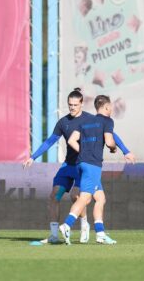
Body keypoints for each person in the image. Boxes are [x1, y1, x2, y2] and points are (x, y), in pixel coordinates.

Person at [23, 88, 135, 244]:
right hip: (69, 165)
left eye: (75, 104)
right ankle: (54, 235)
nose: (72, 108)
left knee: (78, 196)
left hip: (82, 166)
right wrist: (33, 157)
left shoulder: (90, 119)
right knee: (54, 196)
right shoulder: (63, 122)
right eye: (70, 105)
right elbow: (50, 141)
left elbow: (111, 134)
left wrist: (125, 150)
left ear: (82, 104)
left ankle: (84, 225)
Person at [60, 95, 118, 245]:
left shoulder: (85, 121)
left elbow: (71, 140)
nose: (111, 109)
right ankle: (66, 225)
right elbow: (110, 141)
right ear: (106, 107)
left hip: (80, 163)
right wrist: (113, 148)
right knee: (85, 198)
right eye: (110, 106)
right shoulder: (107, 121)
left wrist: (83, 152)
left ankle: (100, 234)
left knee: (100, 198)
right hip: (93, 165)